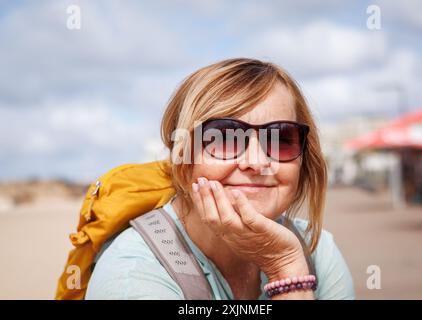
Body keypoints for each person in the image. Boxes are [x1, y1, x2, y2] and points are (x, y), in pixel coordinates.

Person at [85, 58, 355, 300]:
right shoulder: (130, 274)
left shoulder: (316, 251)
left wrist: (288, 264)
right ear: (183, 159)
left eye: (281, 138)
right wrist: (284, 267)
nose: (257, 162)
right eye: (225, 138)